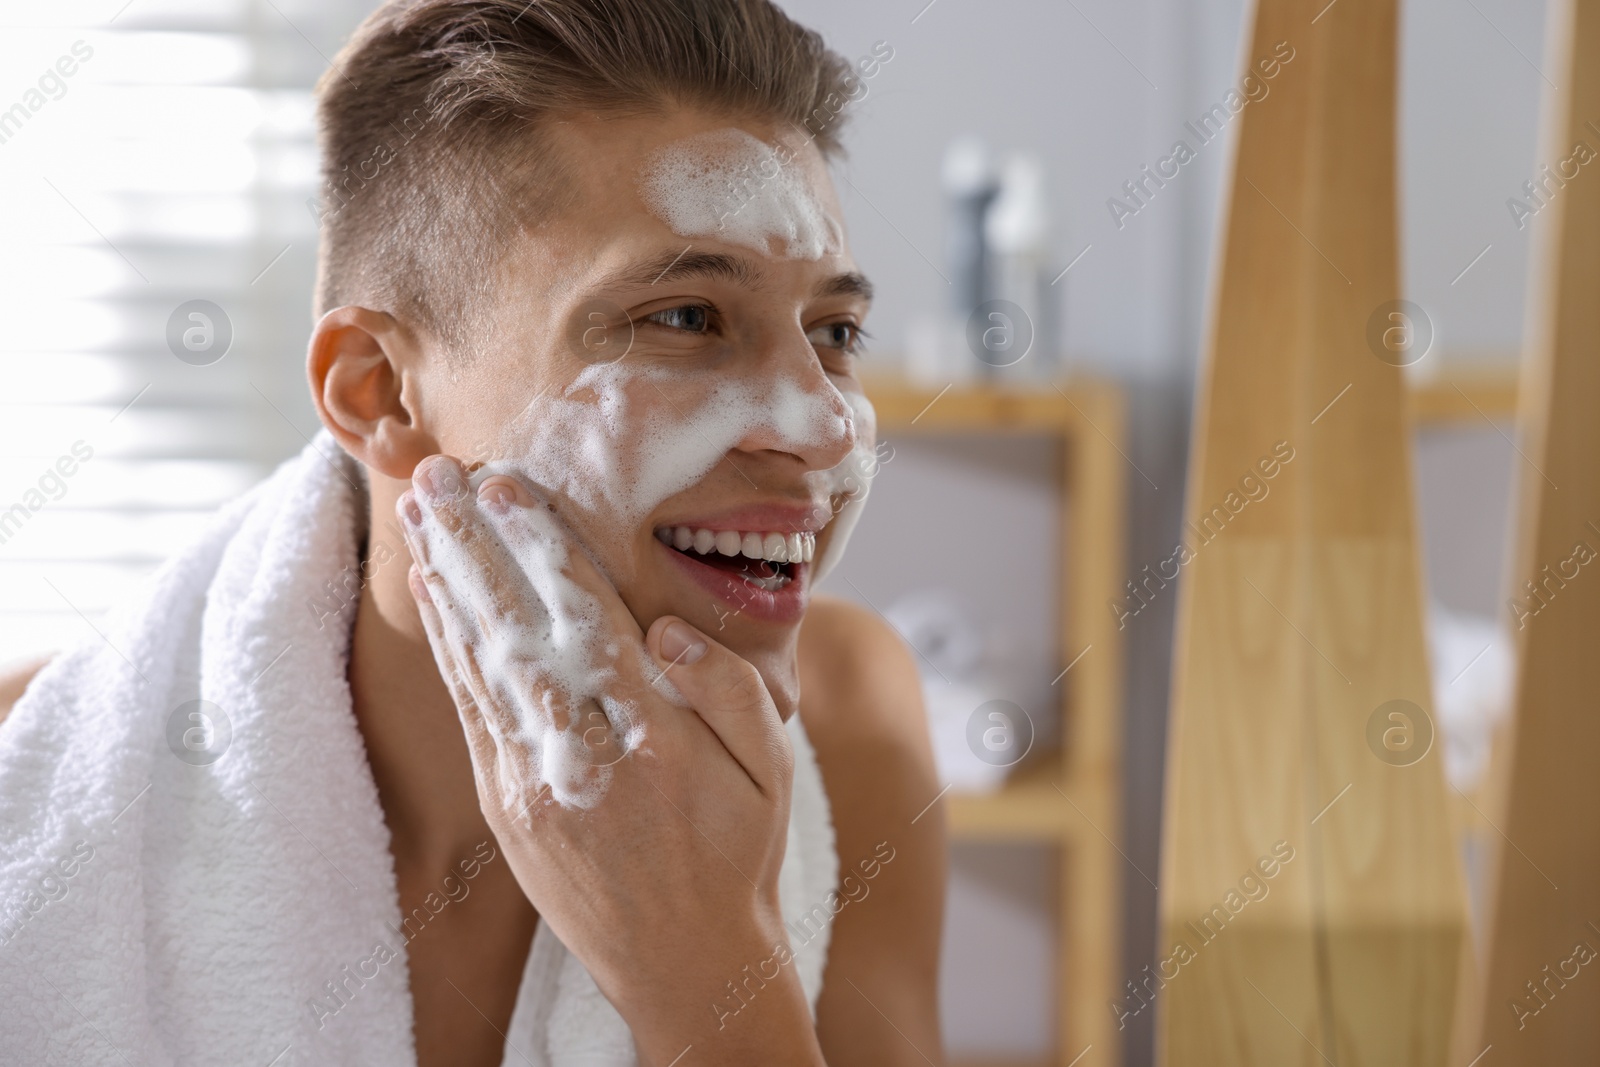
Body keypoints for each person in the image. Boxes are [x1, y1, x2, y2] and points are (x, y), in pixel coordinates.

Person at [0, 2, 944, 1065]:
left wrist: (712, 977)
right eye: (685, 317)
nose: (823, 428)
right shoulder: (28, 799)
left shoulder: (855, 725)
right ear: (378, 392)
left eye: (835, 333)